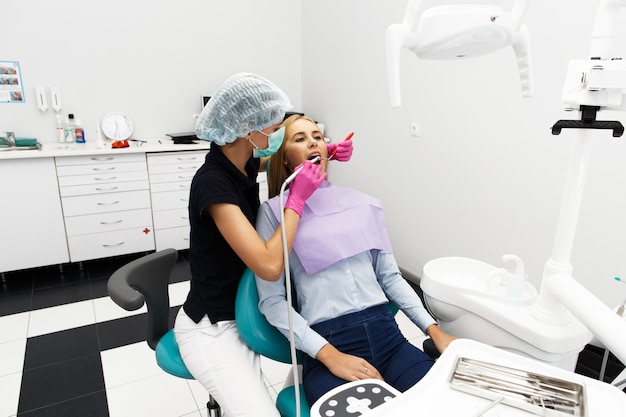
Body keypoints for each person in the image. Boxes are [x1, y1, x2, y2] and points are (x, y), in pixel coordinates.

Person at [255, 115, 457, 405]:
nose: (313, 141)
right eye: (299, 138)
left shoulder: (362, 203)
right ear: (284, 159)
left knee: (440, 405)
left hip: (390, 339)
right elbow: (272, 302)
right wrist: (331, 356)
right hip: (330, 345)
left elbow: (390, 278)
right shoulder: (275, 213)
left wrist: (434, 330)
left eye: (318, 137)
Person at [174, 73, 330, 417]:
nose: (277, 134)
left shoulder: (238, 161)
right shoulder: (213, 184)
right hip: (213, 327)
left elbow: (270, 159)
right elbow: (269, 264)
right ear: (248, 129)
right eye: (274, 127)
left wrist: (325, 150)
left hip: (248, 306)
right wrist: (297, 200)